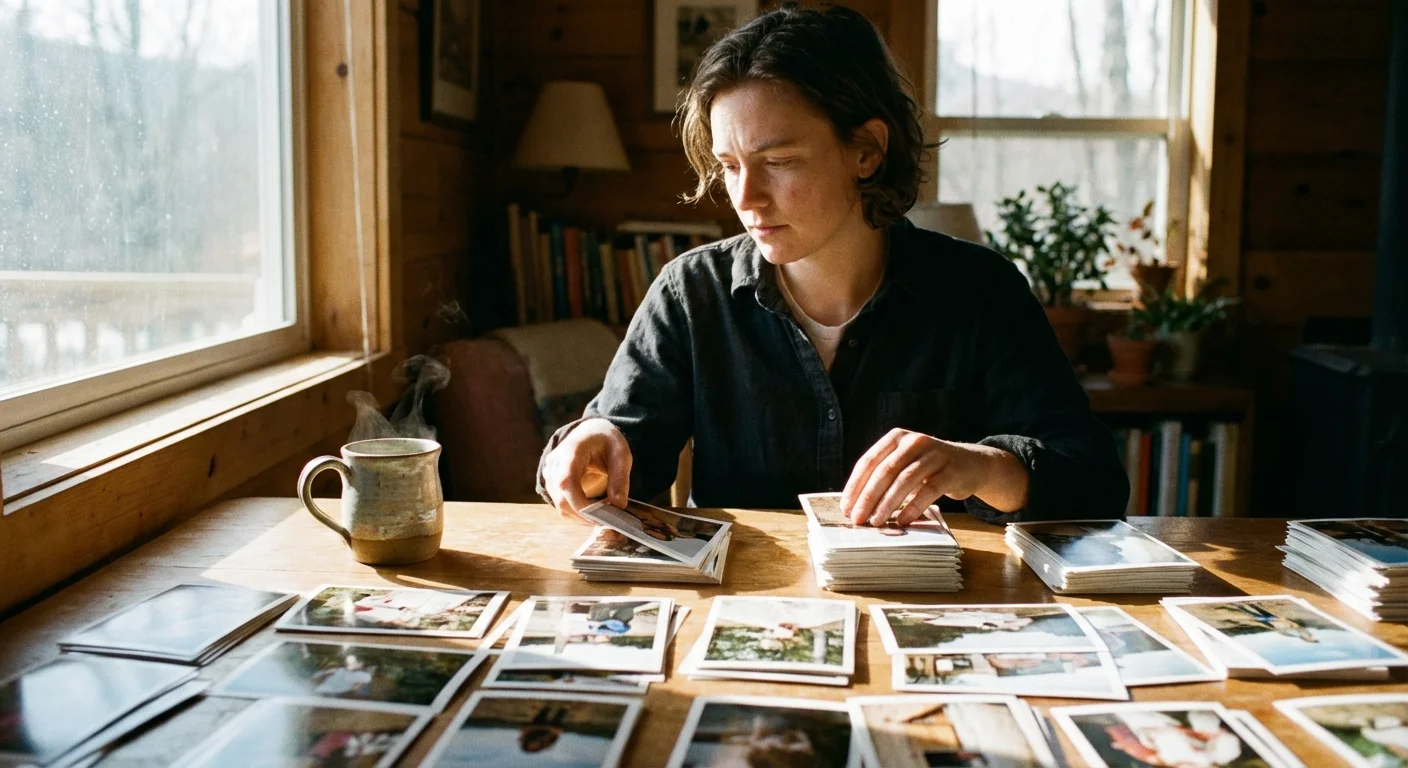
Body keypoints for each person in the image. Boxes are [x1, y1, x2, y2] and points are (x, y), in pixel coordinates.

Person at [537, 4, 1128, 528]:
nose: (747, 199)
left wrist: (978, 466)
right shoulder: (692, 293)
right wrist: (587, 448)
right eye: (730, 166)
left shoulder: (980, 290)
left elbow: (1094, 480)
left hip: (930, 621)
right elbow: (616, 455)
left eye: (780, 161)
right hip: (751, 619)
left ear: (867, 151)